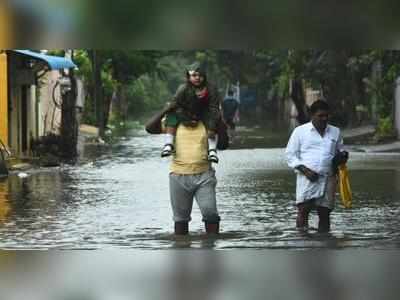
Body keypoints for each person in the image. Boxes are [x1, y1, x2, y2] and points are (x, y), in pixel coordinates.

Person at [145, 98, 221, 237]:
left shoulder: (207, 124)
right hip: (178, 177)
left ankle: (212, 246)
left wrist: (219, 121)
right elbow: (149, 128)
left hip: (204, 175)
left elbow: (223, 143)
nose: (192, 114)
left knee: (210, 213)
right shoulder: (172, 126)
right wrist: (165, 110)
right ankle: (181, 247)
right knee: (180, 219)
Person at [285, 100, 349, 233]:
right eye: (320, 116)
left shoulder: (335, 132)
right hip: (307, 178)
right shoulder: (300, 132)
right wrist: (306, 171)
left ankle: (324, 241)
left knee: (325, 213)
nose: (324, 118)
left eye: (326, 115)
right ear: (311, 115)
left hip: (329, 178)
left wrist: (342, 157)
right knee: (303, 210)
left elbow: (340, 151)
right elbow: (290, 155)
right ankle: (302, 240)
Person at [161, 62, 221, 164]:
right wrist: (184, 118)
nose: (197, 78)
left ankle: (212, 150)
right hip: (185, 113)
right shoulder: (183, 88)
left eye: (200, 75)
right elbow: (175, 103)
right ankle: (168, 144)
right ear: (189, 77)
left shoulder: (211, 89)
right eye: (194, 75)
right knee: (171, 113)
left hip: (204, 113)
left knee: (215, 119)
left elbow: (214, 108)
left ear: (204, 77)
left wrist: (211, 127)